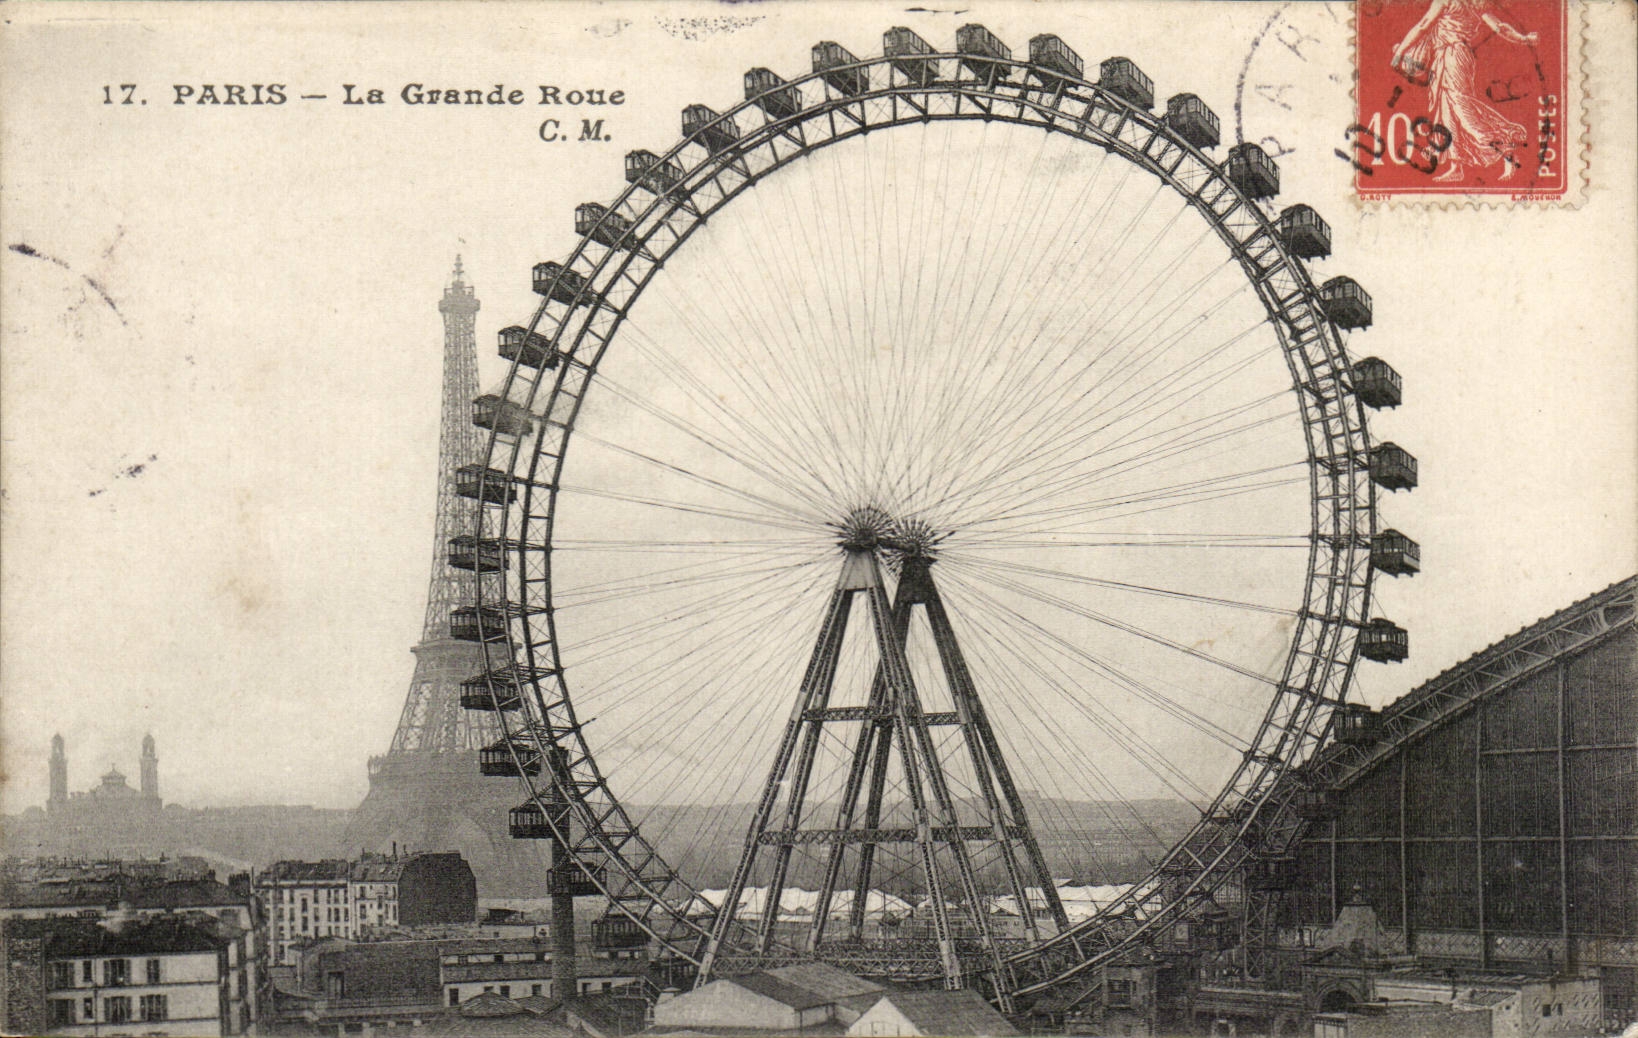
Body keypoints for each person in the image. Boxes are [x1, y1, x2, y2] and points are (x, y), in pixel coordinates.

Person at [1390, 0, 1539, 182]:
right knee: (1447, 112)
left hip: (1452, 57)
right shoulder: (1476, 4)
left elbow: (1423, 26)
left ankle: (1506, 143)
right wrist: (1523, 39)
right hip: (1452, 56)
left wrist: (1400, 52)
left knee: (1461, 108)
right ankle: (1456, 166)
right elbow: (1500, 27)